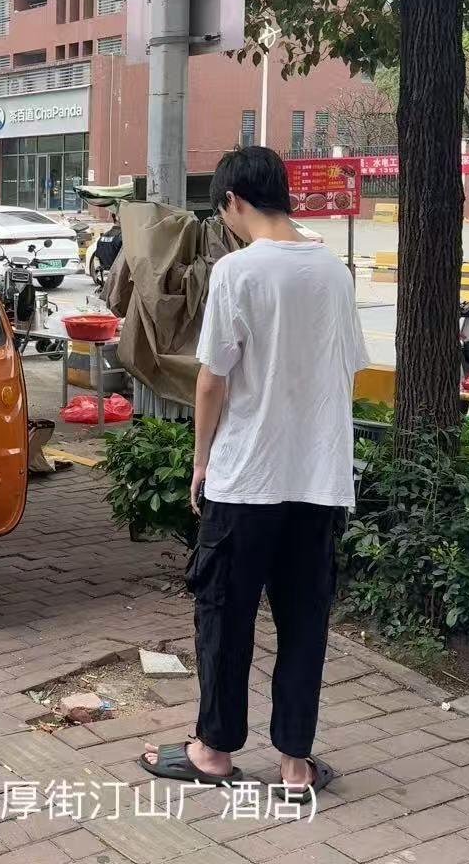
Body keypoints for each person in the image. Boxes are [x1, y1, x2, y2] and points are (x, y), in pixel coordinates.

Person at [139, 147, 368, 800]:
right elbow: (346, 368)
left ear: (234, 201)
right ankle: (295, 766)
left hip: (246, 479)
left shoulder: (237, 271)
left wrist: (201, 460)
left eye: (224, 214)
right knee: (304, 623)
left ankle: (213, 752)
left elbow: (212, 379)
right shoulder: (335, 272)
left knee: (225, 615)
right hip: (318, 479)